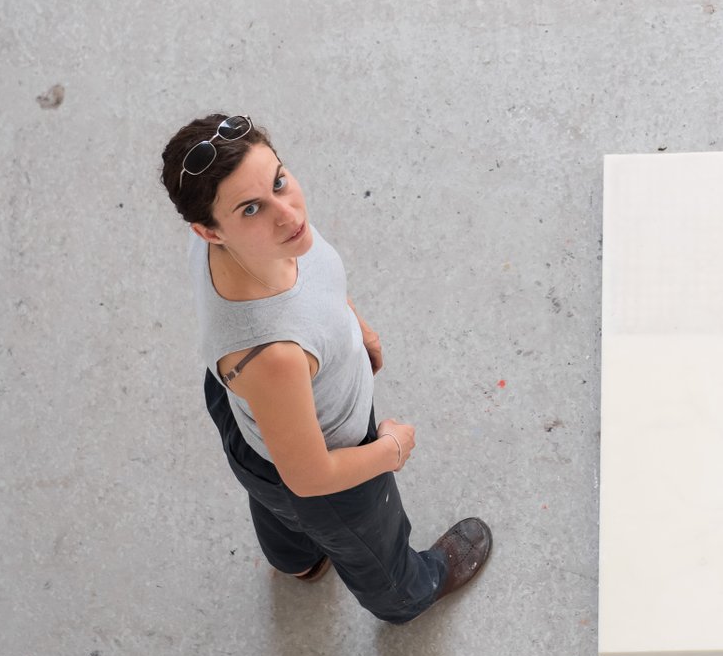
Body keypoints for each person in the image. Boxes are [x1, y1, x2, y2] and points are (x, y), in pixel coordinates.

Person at [159, 113, 491, 624]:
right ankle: (411, 594)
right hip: (326, 459)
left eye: (278, 181)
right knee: (368, 540)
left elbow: (313, 289)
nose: (288, 214)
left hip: (251, 418)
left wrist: (356, 328)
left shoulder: (253, 238)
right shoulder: (272, 354)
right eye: (252, 208)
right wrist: (390, 450)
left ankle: (299, 561)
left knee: (275, 501)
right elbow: (311, 476)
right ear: (208, 230)